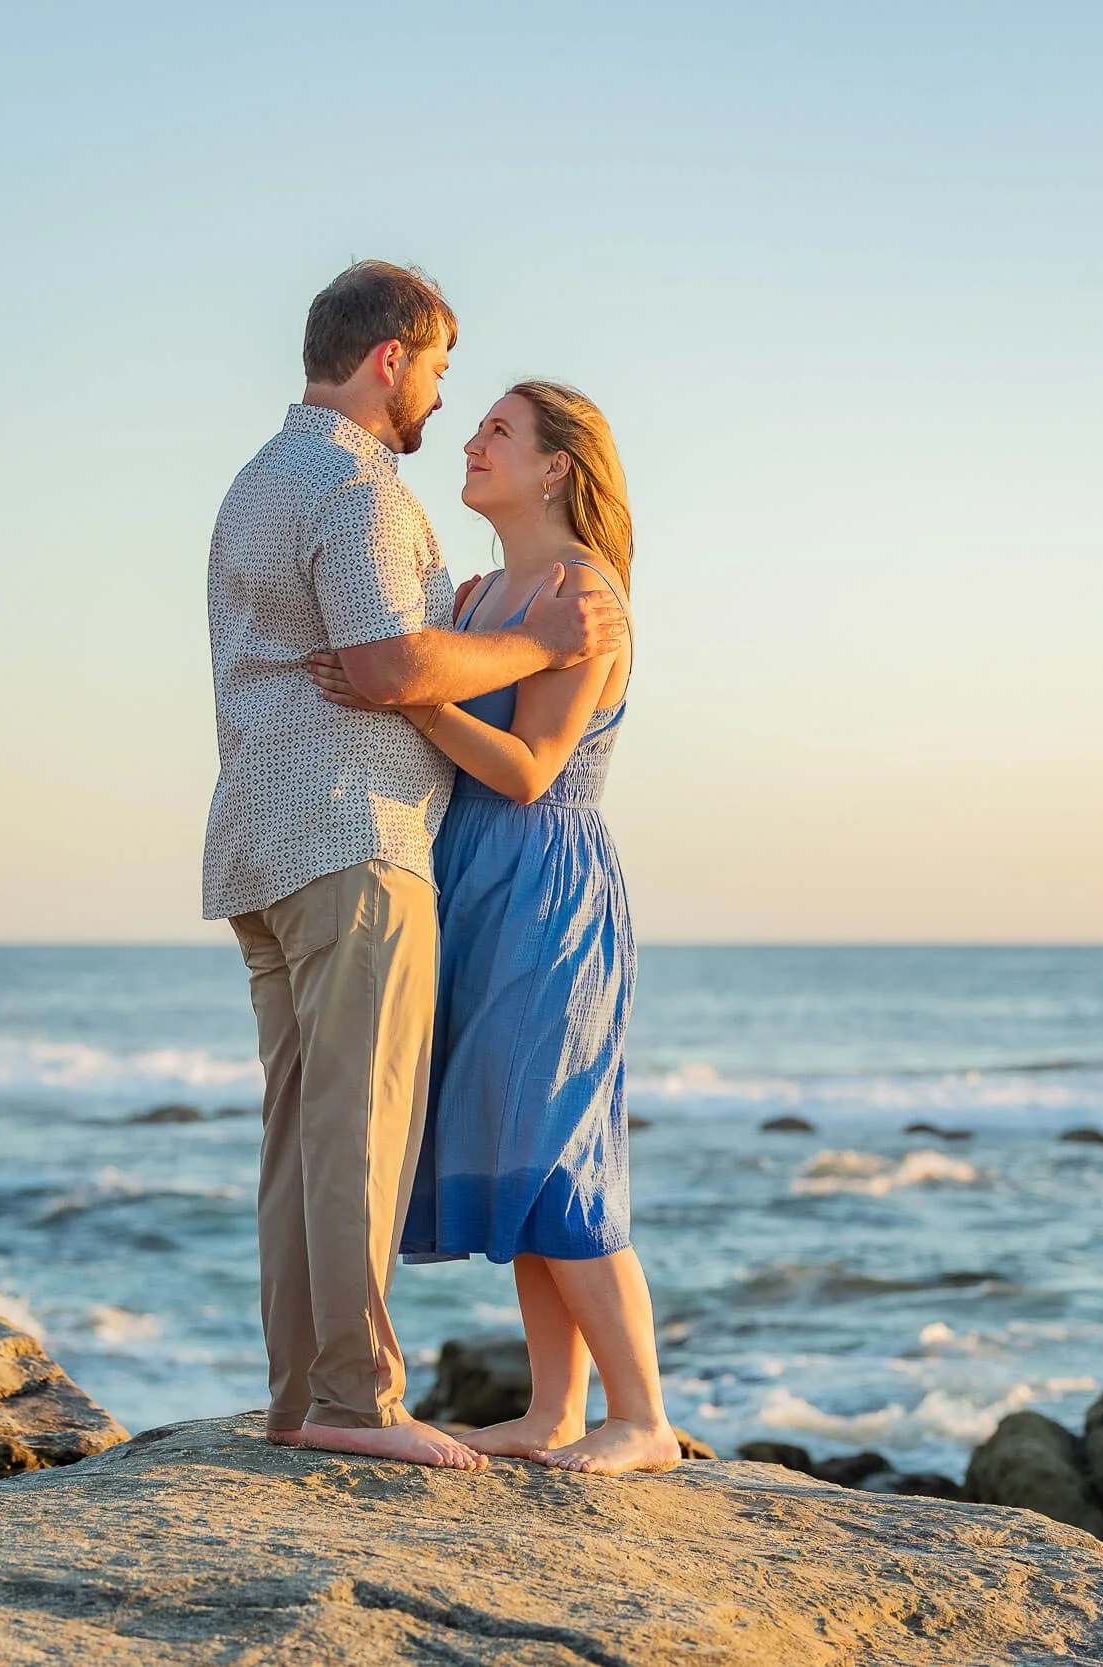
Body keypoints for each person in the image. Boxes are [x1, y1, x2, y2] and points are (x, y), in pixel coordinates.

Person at [203, 263, 627, 1472]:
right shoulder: (361, 488)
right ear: (391, 358)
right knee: (359, 1129)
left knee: (300, 1128)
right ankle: (352, 1393)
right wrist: (529, 639)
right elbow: (387, 664)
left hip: (262, 841)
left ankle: (301, 1396)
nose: (442, 401)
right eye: (440, 370)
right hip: (353, 837)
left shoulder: (256, 481)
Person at [305, 380, 679, 1476]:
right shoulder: (474, 595)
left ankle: (642, 1415)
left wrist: (405, 694)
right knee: (515, 1152)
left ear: (558, 464)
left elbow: (528, 770)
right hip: (464, 877)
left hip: (545, 882)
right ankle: (554, 1408)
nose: (471, 440)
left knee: (556, 1145)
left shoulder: (585, 594)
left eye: (499, 431)